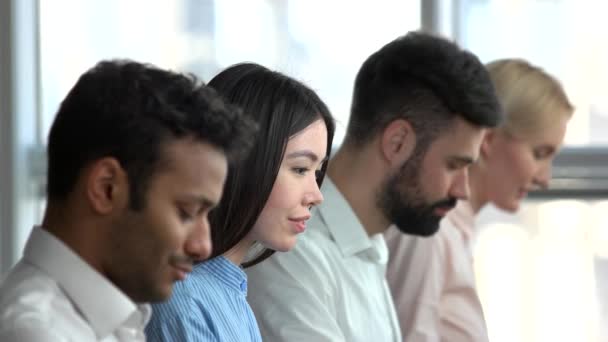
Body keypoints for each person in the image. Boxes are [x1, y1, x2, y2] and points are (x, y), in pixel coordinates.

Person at [245, 31, 503, 341]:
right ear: (397, 143)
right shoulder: (292, 254)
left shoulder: (367, 246)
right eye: (453, 165)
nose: (463, 190)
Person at [0, 60, 257, 341]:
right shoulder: (37, 333)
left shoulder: (117, 321)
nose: (203, 246)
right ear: (107, 188)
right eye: (187, 212)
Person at [385, 58, 574, 342]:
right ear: (489, 141)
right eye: (539, 154)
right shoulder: (430, 231)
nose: (544, 179)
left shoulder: (455, 231)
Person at [145, 63, 335, 341]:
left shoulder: (226, 293)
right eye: (300, 169)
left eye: (316, 173)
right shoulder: (187, 302)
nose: (316, 195)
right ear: (244, 163)